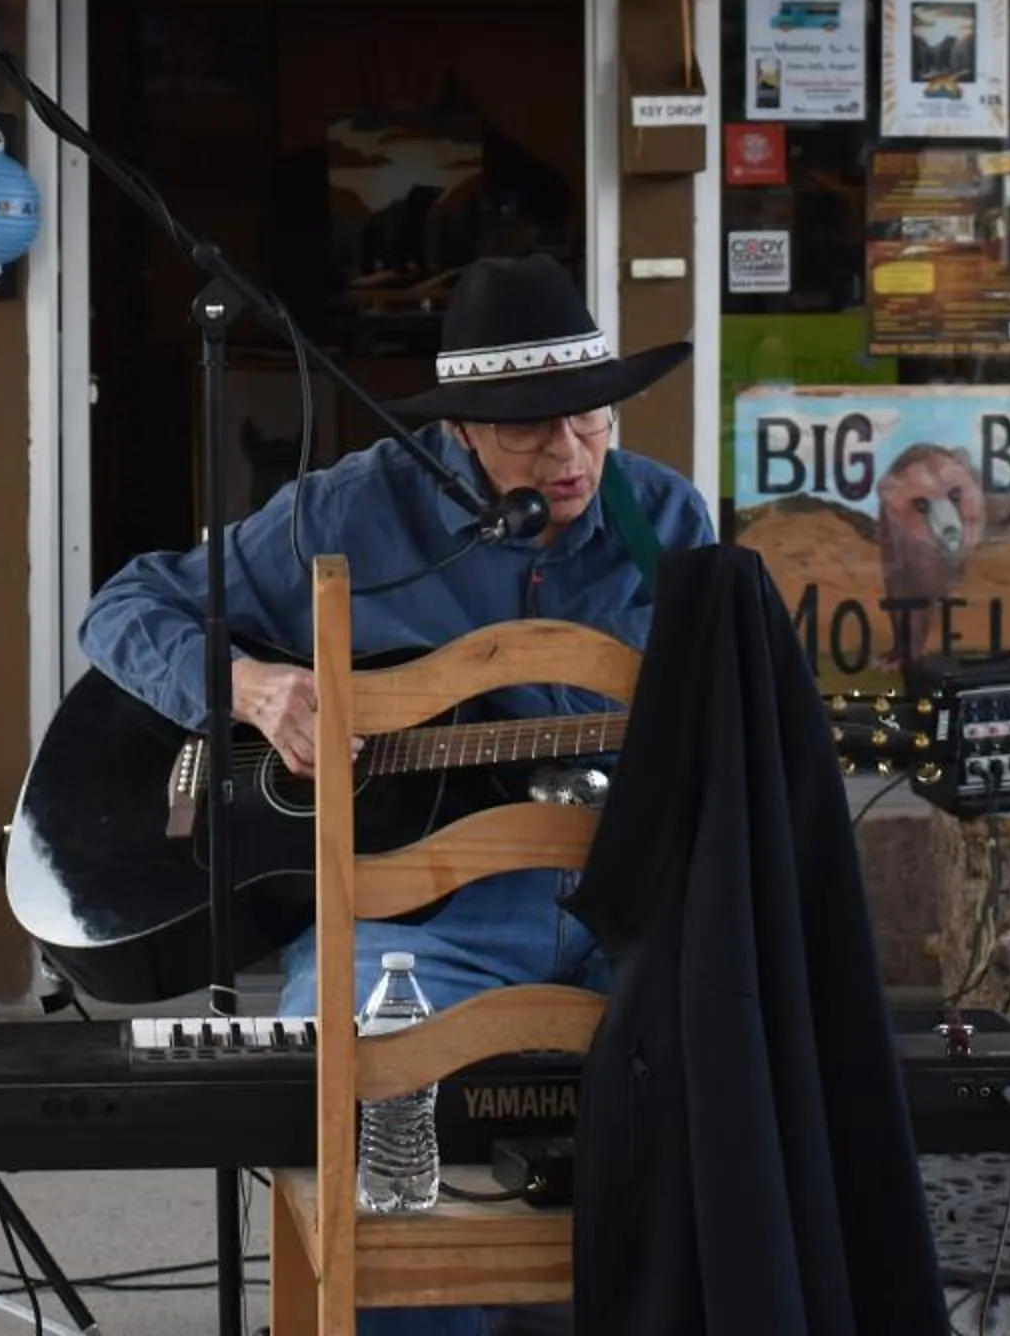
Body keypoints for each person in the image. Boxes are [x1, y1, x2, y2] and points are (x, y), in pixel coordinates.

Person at [79, 254, 714, 1336]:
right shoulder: (349, 510)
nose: (569, 453)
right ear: (461, 428)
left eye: (590, 417)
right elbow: (124, 604)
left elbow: (720, 723)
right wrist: (251, 685)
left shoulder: (666, 521)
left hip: (629, 905)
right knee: (365, 1084)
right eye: (527, 428)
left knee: (740, 1074)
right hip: (418, 925)